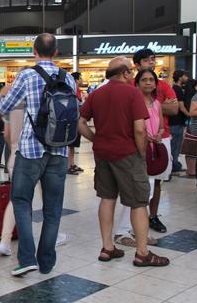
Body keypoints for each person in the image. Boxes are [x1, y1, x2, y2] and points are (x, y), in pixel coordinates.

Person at [0, 33, 76, 277]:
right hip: (60, 150)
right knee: (53, 209)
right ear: (57, 52)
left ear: (34, 50)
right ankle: (47, 262)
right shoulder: (69, 78)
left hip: (31, 149)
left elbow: (3, 107)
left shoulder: (27, 75)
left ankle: (27, 258)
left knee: (21, 201)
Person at [78, 57, 170, 267]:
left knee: (107, 198)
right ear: (126, 73)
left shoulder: (96, 94)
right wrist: (140, 152)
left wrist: (96, 139)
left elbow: (81, 123)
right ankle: (142, 252)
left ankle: (107, 247)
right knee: (138, 202)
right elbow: (139, 128)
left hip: (103, 155)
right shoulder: (133, 94)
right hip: (128, 154)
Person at [0, 84, 68, 256]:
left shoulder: (12, 105)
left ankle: (5, 241)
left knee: (17, 199)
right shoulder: (39, 104)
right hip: (39, 154)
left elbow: (6, 135)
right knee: (49, 198)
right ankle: (53, 236)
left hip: (15, 156)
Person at [133, 49, 178, 234]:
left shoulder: (164, 87)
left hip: (161, 139)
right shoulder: (131, 88)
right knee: (139, 179)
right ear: (137, 65)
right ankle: (137, 217)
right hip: (139, 139)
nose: (151, 63)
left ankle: (153, 215)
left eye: (153, 59)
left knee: (158, 179)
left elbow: (175, 109)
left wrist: (159, 130)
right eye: (146, 60)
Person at [169, 70, 189, 173]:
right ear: (180, 77)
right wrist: (189, 114)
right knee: (175, 145)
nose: (187, 78)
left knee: (174, 144)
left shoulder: (174, 88)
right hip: (177, 122)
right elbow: (181, 106)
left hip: (173, 121)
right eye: (185, 76)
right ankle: (174, 165)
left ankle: (174, 164)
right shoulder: (178, 89)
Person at [68, 71, 85, 175]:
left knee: (73, 144)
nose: (82, 79)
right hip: (72, 120)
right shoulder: (72, 90)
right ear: (76, 79)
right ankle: (69, 166)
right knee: (70, 144)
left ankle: (72, 164)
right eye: (81, 77)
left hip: (76, 119)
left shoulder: (78, 90)